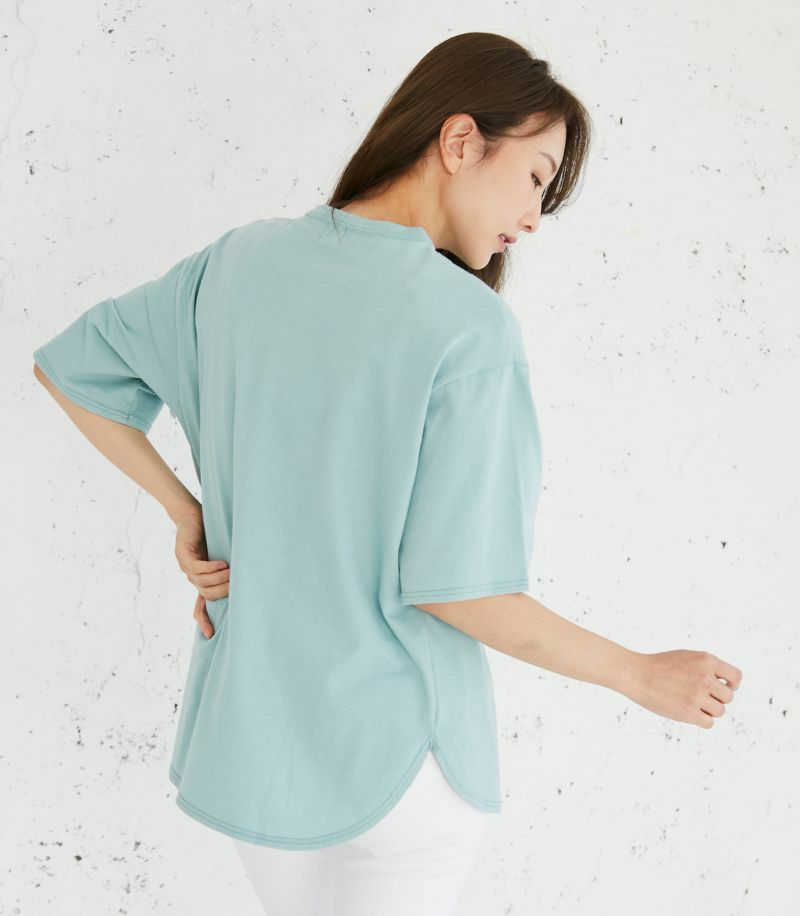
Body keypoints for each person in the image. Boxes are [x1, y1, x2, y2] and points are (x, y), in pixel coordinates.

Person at [31, 31, 742, 916]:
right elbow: (464, 592)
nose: (533, 218)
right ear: (459, 140)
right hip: (404, 765)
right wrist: (640, 673)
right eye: (535, 178)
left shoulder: (237, 263)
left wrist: (188, 510)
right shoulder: (468, 329)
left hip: (260, 753)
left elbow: (74, 371)